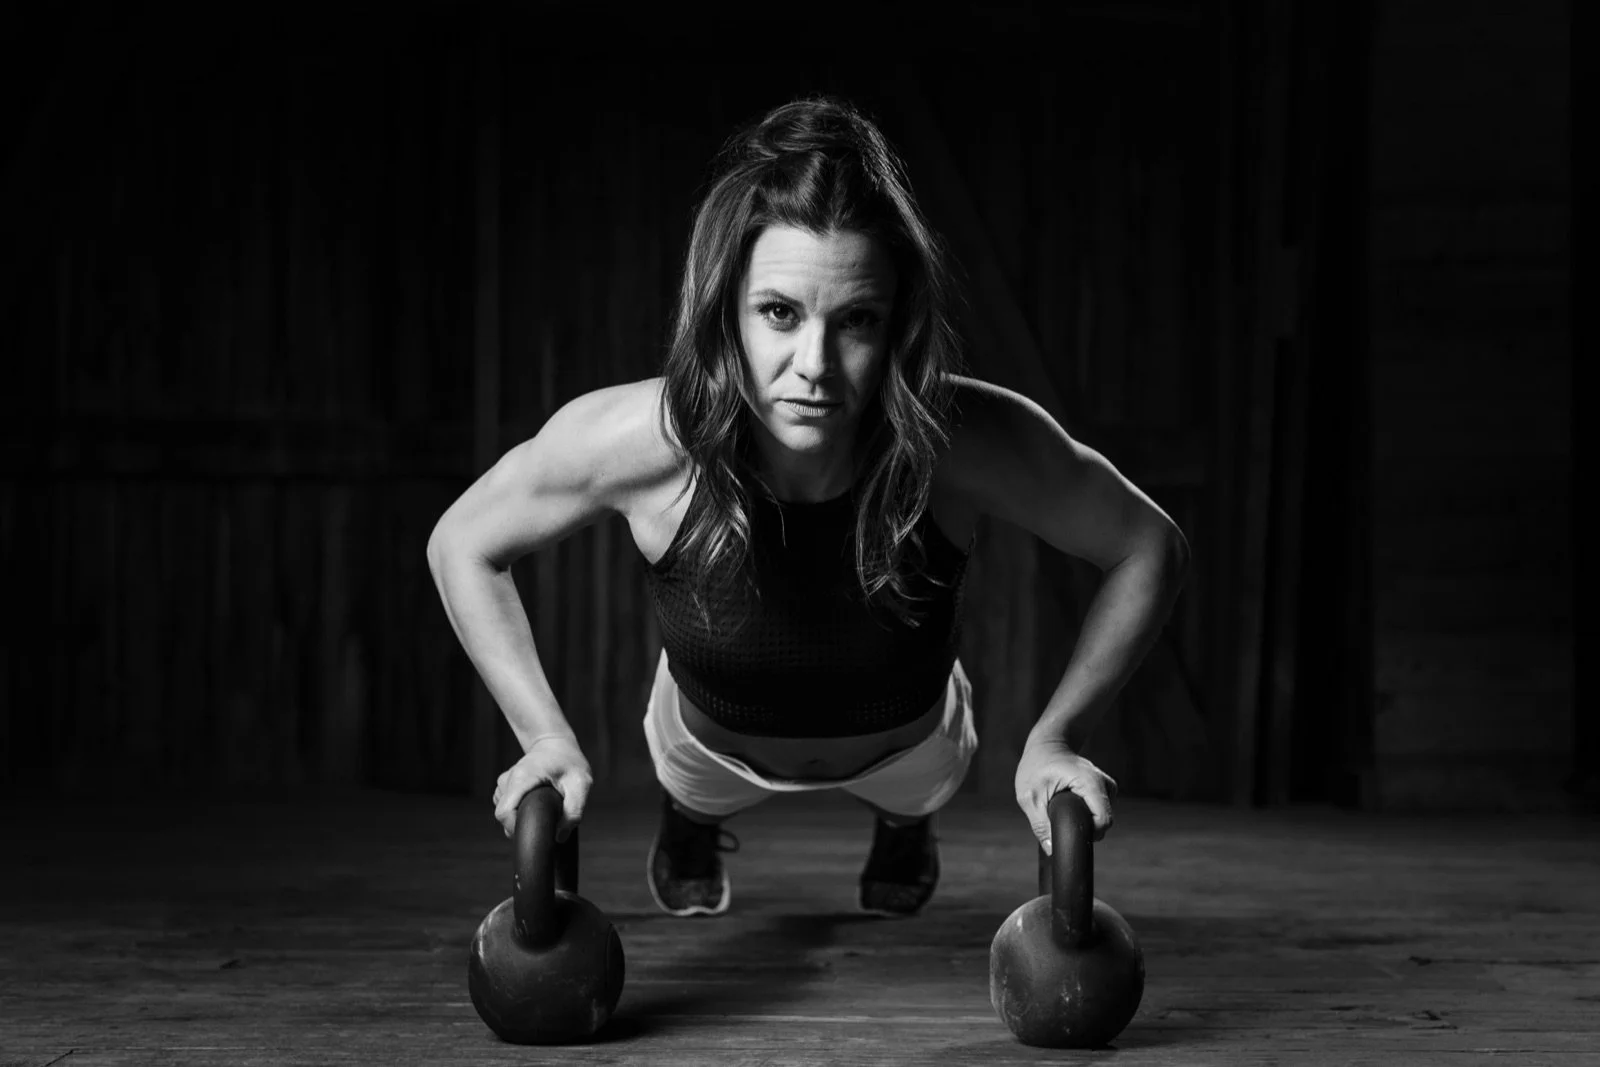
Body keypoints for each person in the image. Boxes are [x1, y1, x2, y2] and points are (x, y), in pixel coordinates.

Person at [426, 96, 1189, 919]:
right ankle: (692, 821)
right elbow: (463, 540)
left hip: (914, 750)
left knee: (917, 787)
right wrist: (543, 734)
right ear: (728, 311)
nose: (815, 364)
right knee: (695, 787)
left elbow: (1148, 545)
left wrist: (1057, 737)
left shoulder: (959, 438)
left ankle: (904, 822)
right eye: (780, 313)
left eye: (856, 319)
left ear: (897, 324)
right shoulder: (643, 439)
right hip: (706, 751)